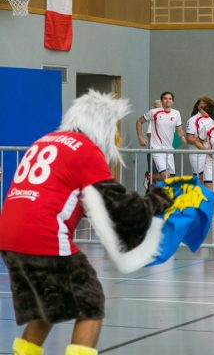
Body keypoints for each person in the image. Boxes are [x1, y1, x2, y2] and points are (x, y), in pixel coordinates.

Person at [0, 91, 172, 355]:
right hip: (44, 236)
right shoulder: (85, 149)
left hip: (9, 236)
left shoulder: (46, 140)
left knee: (49, 305)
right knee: (91, 302)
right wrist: (158, 199)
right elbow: (122, 208)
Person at [136, 91, 186, 178]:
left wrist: (182, 137)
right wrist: (140, 137)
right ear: (162, 101)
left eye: (170, 99)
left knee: (171, 179)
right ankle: (150, 178)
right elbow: (139, 121)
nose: (168, 100)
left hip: (170, 150)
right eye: (165, 98)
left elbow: (180, 129)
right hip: (157, 149)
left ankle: (151, 179)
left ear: (172, 101)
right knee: (166, 176)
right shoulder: (154, 112)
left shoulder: (176, 113)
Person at [192, 98, 214, 233]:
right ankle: (204, 222)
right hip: (210, 162)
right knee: (209, 195)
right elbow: (198, 141)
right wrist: (206, 151)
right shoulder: (208, 126)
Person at [186, 96, 213, 177]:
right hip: (197, 154)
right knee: (199, 178)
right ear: (198, 106)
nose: (204, 107)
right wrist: (202, 140)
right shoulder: (192, 120)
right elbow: (189, 139)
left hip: (210, 154)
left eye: (206, 105)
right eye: (202, 105)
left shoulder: (212, 119)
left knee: (210, 179)